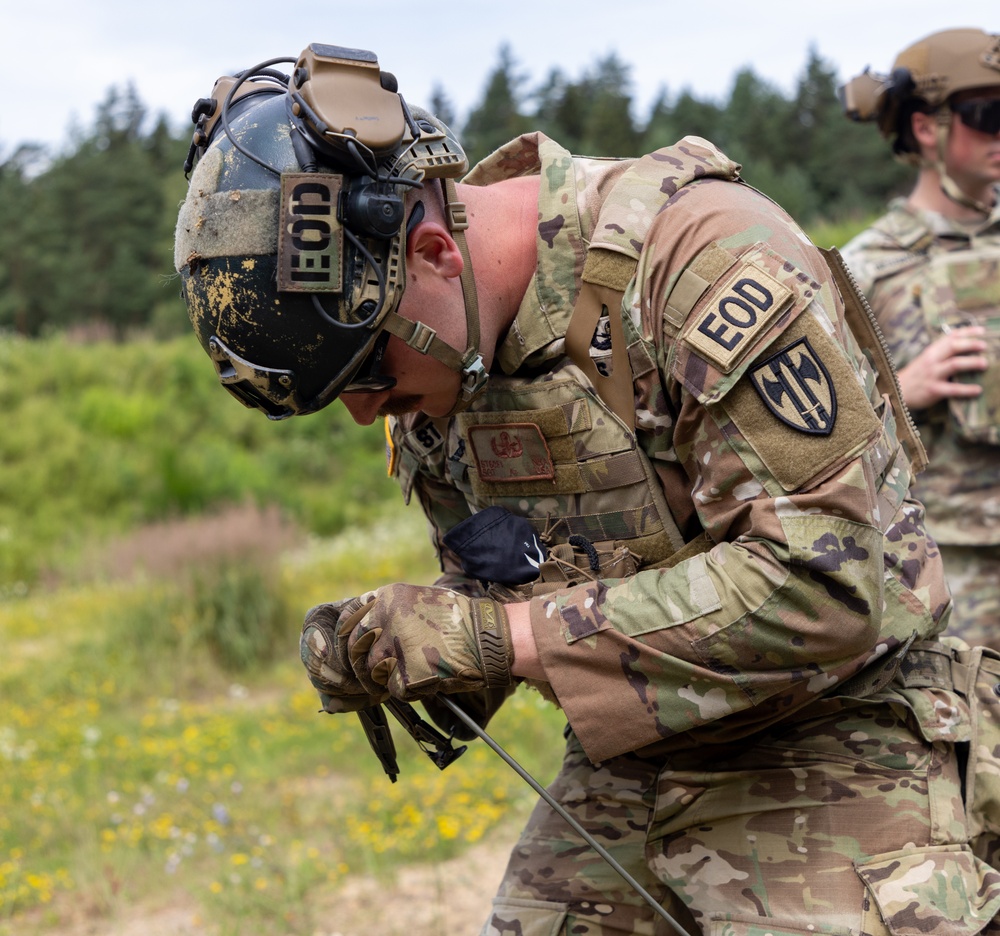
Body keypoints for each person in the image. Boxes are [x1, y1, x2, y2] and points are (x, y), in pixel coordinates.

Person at [175, 42, 1000, 936]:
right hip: (645, 752)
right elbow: (515, 592)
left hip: (842, 725)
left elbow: (826, 587)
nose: (365, 409)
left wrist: (500, 636)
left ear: (434, 251)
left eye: (367, 367)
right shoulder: (442, 350)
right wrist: (412, 646)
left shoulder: (697, 259)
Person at [839, 27, 1000, 652]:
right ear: (927, 128)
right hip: (946, 565)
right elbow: (805, 442)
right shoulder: (860, 272)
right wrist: (904, 389)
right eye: (987, 114)